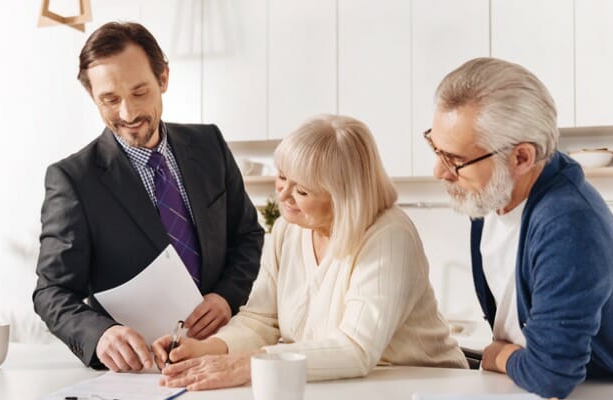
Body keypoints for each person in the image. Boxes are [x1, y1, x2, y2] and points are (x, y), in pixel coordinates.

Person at [152, 114, 468, 391]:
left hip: (424, 387)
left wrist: (249, 364)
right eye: (282, 177)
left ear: (344, 196)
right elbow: (261, 321)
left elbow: (355, 349)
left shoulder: (388, 235)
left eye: (301, 190)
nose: (284, 195)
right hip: (350, 388)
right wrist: (209, 349)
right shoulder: (290, 230)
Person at [32, 22, 264, 371]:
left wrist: (226, 297)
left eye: (140, 92)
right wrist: (101, 335)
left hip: (220, 353)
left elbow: (247, 236)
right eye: (109, 99)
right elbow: (52, 293)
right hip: (138, 372)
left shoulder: (210, 145)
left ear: (163, 79)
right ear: (92, 96)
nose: (128, 114)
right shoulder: (72, 180)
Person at [425, 57, 613, 398]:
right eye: (436, 147)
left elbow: (552, 373)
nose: (439, 170)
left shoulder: (569, 225)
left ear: (522, 158)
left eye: (455, 159)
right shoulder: (490, 194)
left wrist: (498, 354)